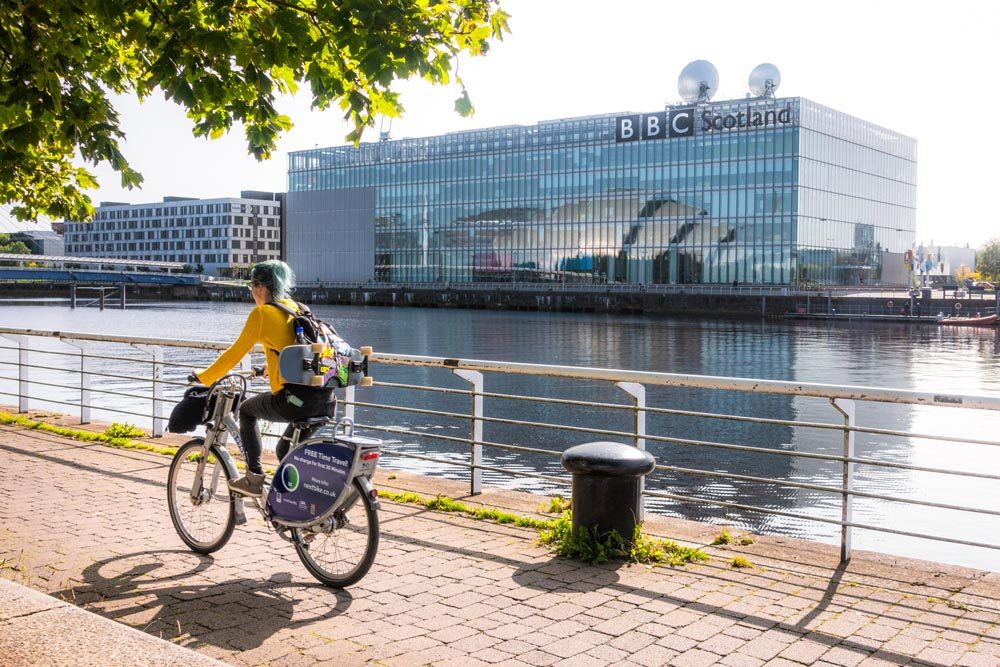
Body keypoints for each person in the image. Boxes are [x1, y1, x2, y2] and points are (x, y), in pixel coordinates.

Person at [194, 260, 336, 497]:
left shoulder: (262, 313)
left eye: (251, 286)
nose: (251, 292)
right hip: (325, 398)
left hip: (294, 401)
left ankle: (253, 478)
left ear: (260, 287)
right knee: (284, 452)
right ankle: (305, 507)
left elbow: (235, 353)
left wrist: (205, 377)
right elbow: (295, 350)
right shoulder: (296, 308)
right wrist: (271, 369)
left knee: (247, 412)